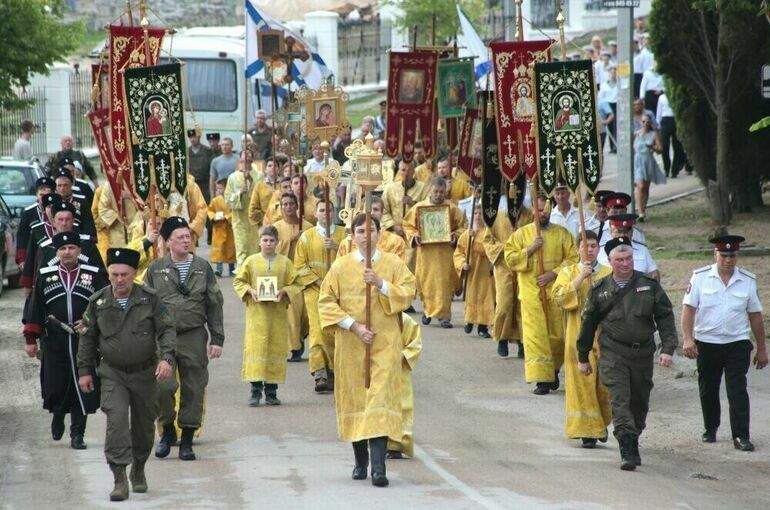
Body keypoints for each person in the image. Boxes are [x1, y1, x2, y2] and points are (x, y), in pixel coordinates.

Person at [318, 213, 417, 487]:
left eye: (371, 230)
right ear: (352, 235)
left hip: (384, 343)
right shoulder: (340, 267)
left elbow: (409, 291)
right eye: (360, 230)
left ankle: (379, 469)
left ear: (379, 234)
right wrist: (354, 326)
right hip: (352, 345)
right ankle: (360, 461)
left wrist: (381, 285)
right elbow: (325, 302)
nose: (366, 235)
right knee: (357, 399)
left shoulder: (393, 263)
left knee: (380, 399)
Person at [77, 248, 176, 501]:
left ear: (135, 274)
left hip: (145, 373)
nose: (119, 280)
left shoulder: (150, 299)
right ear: (108, 274)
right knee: (116, 422)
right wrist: (85, 371)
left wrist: (166, 359)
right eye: (114, 274)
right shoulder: (98, 302)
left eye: (124, 275)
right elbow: (87, 338)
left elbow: (166, 330)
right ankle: (119, 477)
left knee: (144, 426)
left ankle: (139, 468)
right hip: (113, 373)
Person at [577, 237, 677, 471]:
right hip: (613, 353)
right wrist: (582, 357)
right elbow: (587, 325)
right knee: (620, 401)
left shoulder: (648, 285)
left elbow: (664, 316)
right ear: (610, 262)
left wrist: (668, 348)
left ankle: (633, 437)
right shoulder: (599, 290)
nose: (625, 263)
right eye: (619, 260)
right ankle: (627, 449)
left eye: (629, 259)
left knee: (639, 404)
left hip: (642, 354)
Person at [144, 217, 225, 461]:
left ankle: (187, 438)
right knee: (162, 386)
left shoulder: (202, 267)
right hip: (163, 338)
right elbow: (146, 306)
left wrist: (217, 338)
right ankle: (168, 429)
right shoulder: (156, 270)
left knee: (194, 386)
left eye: (188, 236)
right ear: (167, 242)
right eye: (180, 237)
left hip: (193, 335)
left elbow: (214, 304)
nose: (186, 240)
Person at [22, 232, 108, 450]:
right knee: (56, 384)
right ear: (57, 252)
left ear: (79, 250)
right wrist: (31, 338)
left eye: (71, 248)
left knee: (84, 384)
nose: (67, 252)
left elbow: (106, 305)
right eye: (63, 249)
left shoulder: (93, 274)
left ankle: (78, 433)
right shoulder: (46, 275)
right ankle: (58, 414)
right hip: (55, 339)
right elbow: (35, 307)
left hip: (84, 339)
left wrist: (91, 323)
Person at [681, 235, 767, 451]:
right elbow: (689, 309)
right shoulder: (700, 277)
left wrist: (762, 349)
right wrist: (688, 339)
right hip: (707, 342)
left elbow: (755, 315)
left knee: (737, 389)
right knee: (708, 388)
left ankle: (741, 436)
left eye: (732, 255)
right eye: (724, 255)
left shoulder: (747, 280)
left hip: (737, 342)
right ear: (715, 255)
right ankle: (710, 428)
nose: (728, 260)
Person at [504, 193, 578, 394]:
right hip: (530, 294)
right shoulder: (521, 235)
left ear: (549, 209)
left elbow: (573, 258)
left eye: (544, 210)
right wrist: (529, 250)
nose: (541, 214)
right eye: (537, 210)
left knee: (558, 336)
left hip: (555, 292)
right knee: (536, 337)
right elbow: (509, 258)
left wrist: (552, 274)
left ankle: (553, 370)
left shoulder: (562, 234)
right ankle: (541, 380)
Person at [552, 230, 612, 448]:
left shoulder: (608, 272)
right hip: (577, 335)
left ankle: (601, 424)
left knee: (603, 385)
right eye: (585, 246)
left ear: (598, 249)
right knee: (582, 384)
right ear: (578, 248)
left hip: (604, 336)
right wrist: (579, 279)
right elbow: (558, 297)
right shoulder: (568, 272)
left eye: (593, 246)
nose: (589, 249)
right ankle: (588, 432)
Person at [233, 225, 302, 406]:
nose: (268, 243)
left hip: (277, 315)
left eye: (272, 240)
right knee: (256, 350)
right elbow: (239, 281)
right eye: (265, 240)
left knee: (275, 349)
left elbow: (296, 282)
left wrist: (284, 291)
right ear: (259, 241)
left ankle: (272, 392)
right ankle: (255, 391)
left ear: (277, 242)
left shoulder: (285, 263)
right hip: (257, 316)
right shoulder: (251, 261)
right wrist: (250, 290)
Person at [294, 200, 347, 392]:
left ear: (334, 212)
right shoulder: (306, 237)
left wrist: (337, 247)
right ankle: (319, 372)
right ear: (316, 214)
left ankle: (334, 370)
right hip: (315, 290)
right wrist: (318, 282)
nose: (326, 213)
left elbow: (354, 258)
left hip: (339, 292)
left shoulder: (343, 235)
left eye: (329, 210)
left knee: (335, 331)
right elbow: (300, 265)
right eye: (322, 210)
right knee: (317, 330)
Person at [403, 176, 468, 328]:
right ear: (430, 191)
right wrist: (415, 236)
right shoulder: (419, 208)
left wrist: (455, 235)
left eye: (441, 191)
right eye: (435, 191)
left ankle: (444, 316)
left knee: (444, 284)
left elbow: (463, 226)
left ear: (445, 191)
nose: (438, 194)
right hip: (425, 254)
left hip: (445, 254)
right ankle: (427, 311)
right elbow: (407, 225)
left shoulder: (451, 208)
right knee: (425, 283)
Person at [481, 195, 533, 358]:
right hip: (503, 265)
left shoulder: (530, 216)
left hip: (524, 265)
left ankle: (522, 342)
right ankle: (501, 338)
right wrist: (504, 249)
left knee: (521, 303)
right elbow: (488, 240)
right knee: (504, 302)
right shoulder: (497, 216)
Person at [273, 193, 314, 362]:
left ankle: (301, 337)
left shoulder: (308, 227)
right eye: (285, 204)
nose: (288, 207)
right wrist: (290, 240)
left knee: (306, 313)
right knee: (293, 313)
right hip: (287, 276)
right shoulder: (276, 227)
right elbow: (272, 250)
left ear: (297, 206)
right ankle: (295, 348)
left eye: (291, 204)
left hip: (306, 274)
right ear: (281, 207)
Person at [385, 312, 423, 459]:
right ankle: (379, 442)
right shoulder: (371, 319)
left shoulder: (405, 320)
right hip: (377, 372)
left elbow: (415, 343)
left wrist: (402, 356)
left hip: (399, 373)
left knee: (402, 406)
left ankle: (397, 444)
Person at [453, 204, 494, 338]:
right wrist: (463, 264)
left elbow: (488, 249)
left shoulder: (488, 233)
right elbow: (458, 252)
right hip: (471, 271)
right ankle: (469, 320)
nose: (478, 217)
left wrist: (475, 239)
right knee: (471, 295)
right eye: (475, 214)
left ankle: (483, 326)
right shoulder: (466, 234)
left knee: (485, 296)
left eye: (480, 214)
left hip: (484, 270)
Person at [337, 196, 407, 261]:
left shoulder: (396, 242)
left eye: (376, 209)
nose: (372, 213)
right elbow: (339, 270)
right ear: (361, 212)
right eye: (368, 209)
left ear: (382, 213)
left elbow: (399, 270)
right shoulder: (347, 243)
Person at [597, 214, 659, 281]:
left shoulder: (642, 249)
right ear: (612, 232)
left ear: (632, 232)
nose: (623, 235)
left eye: (626, 231)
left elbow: (654, 273)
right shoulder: (600, 251)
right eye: (619, 232)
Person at [225, 150, 259, 265]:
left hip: (255, 220)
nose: (247, 155)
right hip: (240, 220)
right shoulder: (233, 177)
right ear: (240, 158)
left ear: (253, 158)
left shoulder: (259, 175)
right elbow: (227, 199)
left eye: (249, 153)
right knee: (242, 248)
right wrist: (239, 193)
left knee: (256, 250)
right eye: (244, 153)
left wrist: (250, 180)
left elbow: (262, 193)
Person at [16, 176, 54, 268]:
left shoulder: (58, 211)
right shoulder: (29, 212)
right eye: (41, 195)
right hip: (34, 255)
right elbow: (22, 236)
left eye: (47, 195)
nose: (43, 198)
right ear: (36, 195)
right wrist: (22, 259)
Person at [633, 115, 665, 222]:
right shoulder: (636, 134)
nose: (645, 123)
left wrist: (652, 147)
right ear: (640, 123)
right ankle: (639, 211)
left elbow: (660, 149)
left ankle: (643, 210)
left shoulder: (653, 134)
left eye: (647, 121)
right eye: (643, 121)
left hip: (648, 161)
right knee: (640, 186)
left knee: (645, 188)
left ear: (650, 123)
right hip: (638, 161)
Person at [54, 168, 96, 237]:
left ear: (71, 185)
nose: (62, 188)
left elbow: (88, 223)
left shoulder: (81, 200)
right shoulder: (52, 202)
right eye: (59, 185)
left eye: (65, 185)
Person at [207, 179, 236, 276]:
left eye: (220, 188)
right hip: (219, 228)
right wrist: (214, 217)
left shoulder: (231, 199)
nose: (218, 190)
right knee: (219, 249)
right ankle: (219, 269)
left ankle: (232, 268)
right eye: (217, 188)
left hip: (229, 227)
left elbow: (235, 212)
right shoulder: (215, 200)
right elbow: (210, 210)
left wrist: (227, 217)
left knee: (230, 249)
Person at [656, 93, 686, 179]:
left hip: (675, 119)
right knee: (665, 145)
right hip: (665, 120)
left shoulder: (677, 95)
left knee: (677, 146)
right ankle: (666, 167)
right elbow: (659, 111)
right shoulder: (662, 97)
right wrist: (658, 124)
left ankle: (675, 170)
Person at [248, 159, 279, 228]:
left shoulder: (283, 185)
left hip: (281, 221)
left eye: (275, 166)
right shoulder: (259, 185)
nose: (272, 168)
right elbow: (253, 207)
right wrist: (265, 219)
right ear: (265, 170)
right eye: (270, 166)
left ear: (279, 170)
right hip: (265, 223)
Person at [187, 129, 214, 205]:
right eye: (190, 137)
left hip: (205, 184)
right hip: (192, 184)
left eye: (194, 137)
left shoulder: (207, 151)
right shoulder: (187, 151)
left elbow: (211, 167)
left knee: (205, 204)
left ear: (199, 137)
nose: (192, 139)